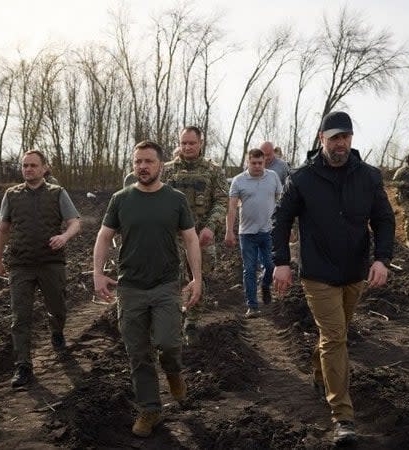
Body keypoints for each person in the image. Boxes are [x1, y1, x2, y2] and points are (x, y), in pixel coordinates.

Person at [271, 111, 395, 445]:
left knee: (333, 335)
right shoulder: (302, 178)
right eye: (334, 137)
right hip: (318, 274)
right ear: (321, 137)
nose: (340, 144)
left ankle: (319, 371)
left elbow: (384, 220)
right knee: (336, 335)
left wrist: (382, 259)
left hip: (355, 272)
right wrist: (281, 262)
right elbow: (280, 221)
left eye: (346, 137)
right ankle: (343, 417)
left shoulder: (369, 177)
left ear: (351, 140)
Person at [93, 140, 203, 438]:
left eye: (148, 161)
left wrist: (197, 278)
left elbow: (191, 239)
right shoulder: (121, 199)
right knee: (138, 353)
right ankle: (150, 409)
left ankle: (173, 372)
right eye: (138, 161)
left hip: (166, 285)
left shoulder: (175, 199)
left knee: (168, 342)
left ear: (160, 166)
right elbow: (104, 237)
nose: (142, 166)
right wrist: (98, 274)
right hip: (130, 288)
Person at [0, 149, 82, 388]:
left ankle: (57, 332)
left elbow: (75, 222)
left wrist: (65, 236)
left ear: (44, 168)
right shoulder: (11, 195)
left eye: (33, 165)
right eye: (25, 166)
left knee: (58, 307)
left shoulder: (57, 193)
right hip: (21, 264)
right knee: (20, 316)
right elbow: (2, 229)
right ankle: (23, 366)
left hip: (51, 263)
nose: (28, 169)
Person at [162, 126, 228, 345]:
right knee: (172, 278)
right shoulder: (167, 170)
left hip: (200, 237)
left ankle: (192, 322)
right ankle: (173, 320)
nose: (187, 147)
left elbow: (221, 200)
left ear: (201, 143)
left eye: (192, 143)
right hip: (172, 237)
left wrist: (210, 227)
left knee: (198, 278)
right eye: (183, 143)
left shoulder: (213, 170)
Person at [224, 148, 282, 317]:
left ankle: (265, 285)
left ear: (264, 162)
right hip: (247, 233)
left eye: (260, 163)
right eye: (253, 163)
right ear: (247, 163)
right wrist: (229, 231)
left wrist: (286, 228)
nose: (257, 166)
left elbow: (281, 202)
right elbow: (232, 207)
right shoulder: (238, 181)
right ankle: (252, 305)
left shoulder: (273, 177)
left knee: (271, 266)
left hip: (269, 231)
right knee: (249, 269)